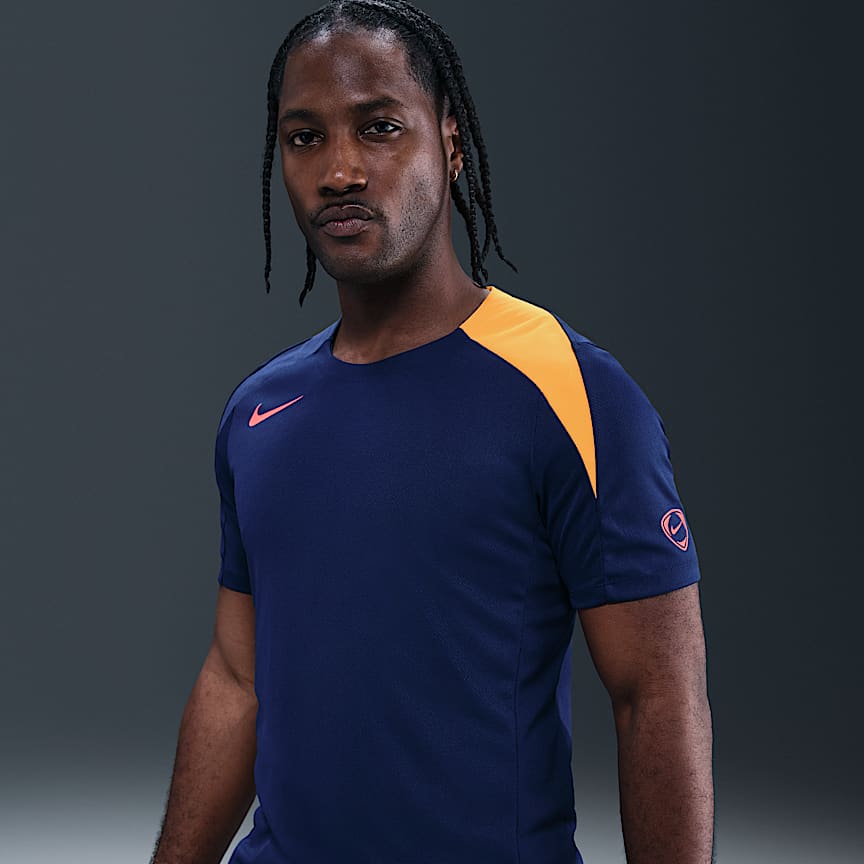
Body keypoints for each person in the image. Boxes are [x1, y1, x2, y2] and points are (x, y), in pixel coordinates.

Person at [150, 1, 714, 862]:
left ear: (450, 143)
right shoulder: (259, 411)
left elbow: (657, 697)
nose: (339, 170)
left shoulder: (571, 390)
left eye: (379, 127)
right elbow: (236, 681)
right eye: (305, 138)